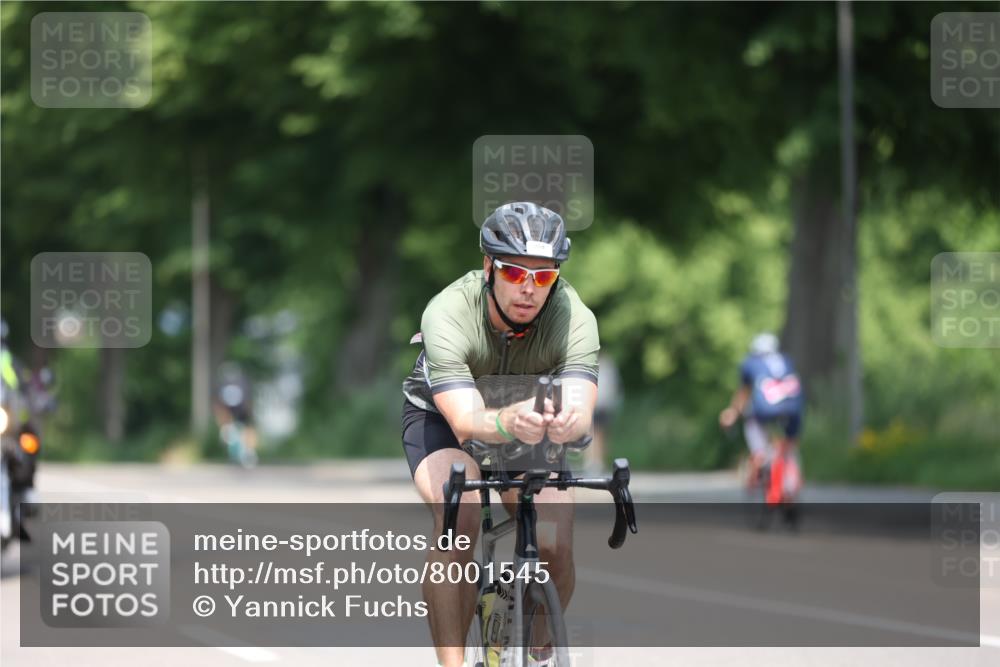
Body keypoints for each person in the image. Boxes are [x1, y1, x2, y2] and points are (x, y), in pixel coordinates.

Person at [402, 202, 599, 667]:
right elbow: (466, 420)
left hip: (527, 420)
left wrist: (568, 422)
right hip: (444, 417)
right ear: (489, 267)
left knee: (553, 535)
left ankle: (537, 651)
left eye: (543, 276)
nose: (528, 289)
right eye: (514, 273)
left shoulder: (573, 317)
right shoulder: (448, 311)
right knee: (460, 515)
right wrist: (508, 421)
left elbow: (580, 410)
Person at [719, 332, 804, 503]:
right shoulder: (787, 361)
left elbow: (744, 392)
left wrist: (732, 413)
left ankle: (759, 460)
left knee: (755, 432)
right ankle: (791, 480)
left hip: (763, 413)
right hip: (794, 410)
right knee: (789, 446)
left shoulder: (750, 363)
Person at [585, 352, 622, 475]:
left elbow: (612, 387)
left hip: (602, 405)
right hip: (595, 404)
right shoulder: (602, 364)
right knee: (594, 434)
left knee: (599, 434)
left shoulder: (605, 364)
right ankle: (593, 462)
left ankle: (596, 462)